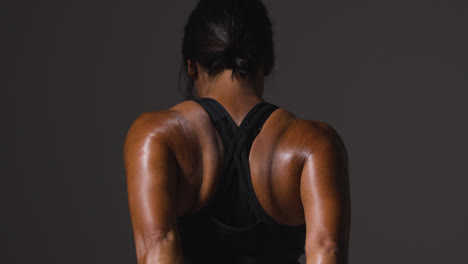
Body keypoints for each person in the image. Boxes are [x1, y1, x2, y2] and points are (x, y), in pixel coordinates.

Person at [123, 0, 350, 263]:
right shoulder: (315, 144)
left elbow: (156, 247)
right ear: (267, 64)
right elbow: (328, 250)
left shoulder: (158, 136)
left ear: (192, 66)